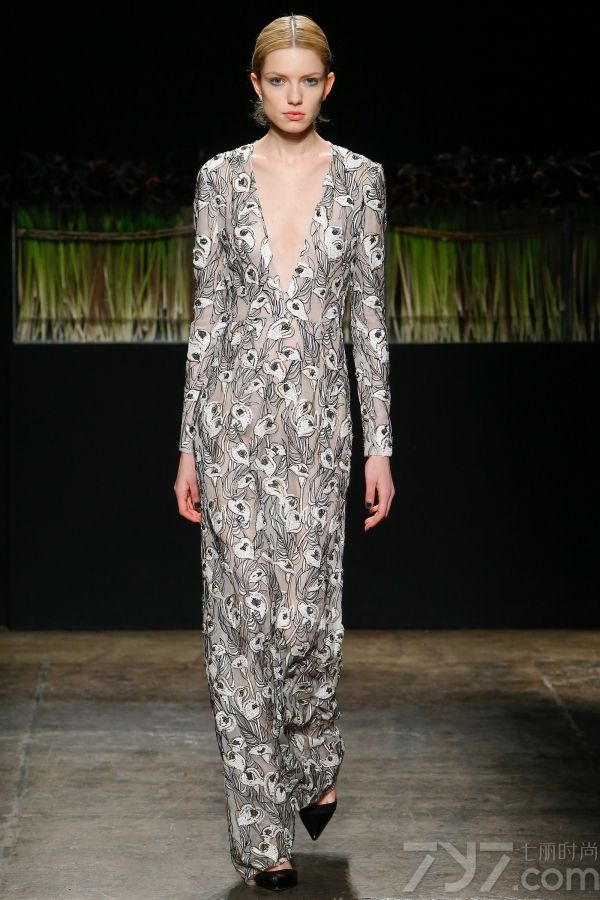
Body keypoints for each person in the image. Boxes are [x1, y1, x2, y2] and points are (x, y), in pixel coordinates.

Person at [174, 12, 395, 891]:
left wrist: (380, 446)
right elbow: (207, 317)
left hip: (319, 431)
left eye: (308, 81)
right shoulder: (220, 179)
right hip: (231, 427)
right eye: (278, 81)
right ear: (256, 86)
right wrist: (187, 444)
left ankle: (313, 753)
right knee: (240, 629)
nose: (293, 96)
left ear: (328, 86)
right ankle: (262, 833)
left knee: (305, 624)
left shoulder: (362, 180)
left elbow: (368, 320)